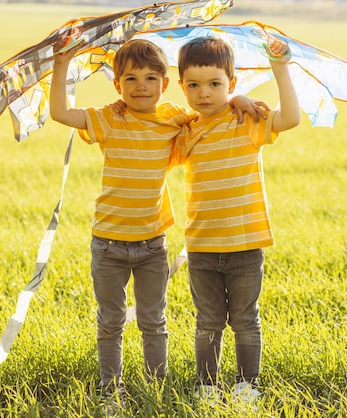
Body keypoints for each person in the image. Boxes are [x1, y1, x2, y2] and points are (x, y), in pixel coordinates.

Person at [49, 35, 265, 410]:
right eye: (130, 79)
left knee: (154, 322)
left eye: (150, 78)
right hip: (108, 243)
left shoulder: (173, 120)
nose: (140, 87)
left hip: (152, 243)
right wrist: (61, 64)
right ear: (117, 85)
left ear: (166, 86)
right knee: (110, 321)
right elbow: (61, 114)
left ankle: (155, 387)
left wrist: (236, 99)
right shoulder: (109, 118)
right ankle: (109, 389)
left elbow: (210, 110)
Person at [174, 35, 301, 405]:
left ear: (232, 82)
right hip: (201, 246)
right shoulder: (184, 130)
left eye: (216, 84)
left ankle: (247, 384)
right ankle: (207, 385)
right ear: (181, 87)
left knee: (245, 318)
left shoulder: (247, 121)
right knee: (208, 321)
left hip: (246, 244)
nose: (204, 93)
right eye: (194, 85)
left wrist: (279, 68)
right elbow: (151, 122)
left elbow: (290, 118)